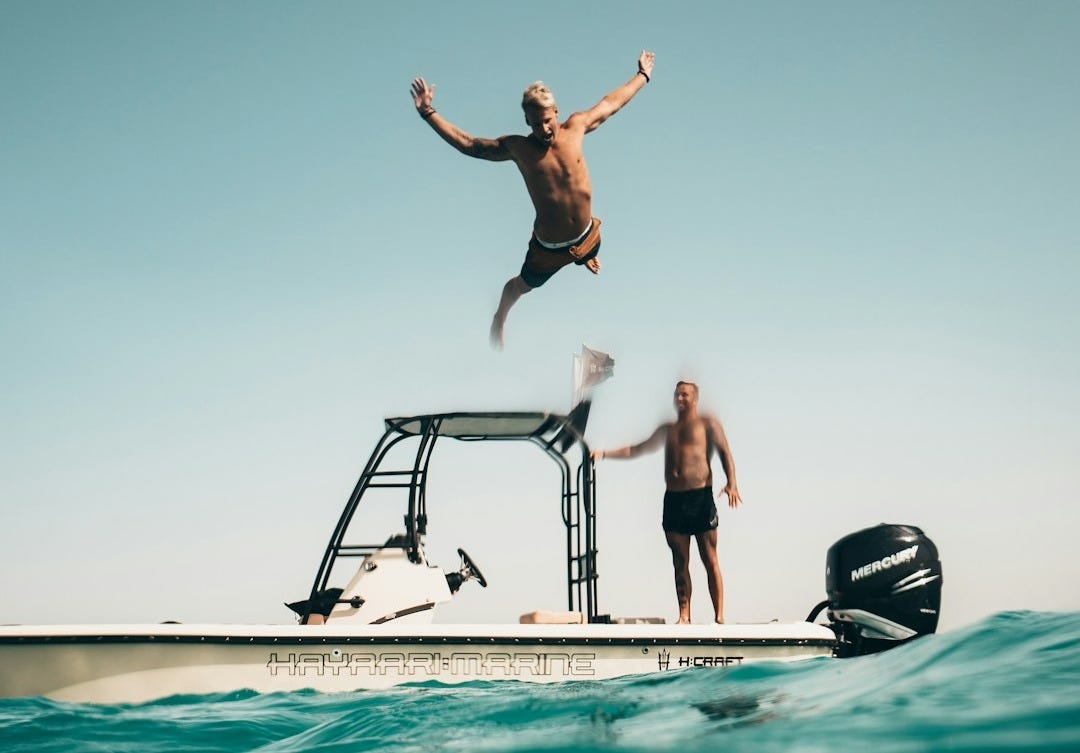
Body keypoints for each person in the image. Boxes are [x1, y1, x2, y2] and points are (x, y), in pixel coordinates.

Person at [409, 51, 655, 349]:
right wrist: (428, 114)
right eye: (536, 123)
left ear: (556, 113)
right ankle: (500, 316)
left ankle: (584, 255)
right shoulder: (518, 148)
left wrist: (642, 75)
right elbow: (470, 145)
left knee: (591, 249)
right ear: (527, 120)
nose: (544, 129)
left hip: (589, 236)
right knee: (519, 287)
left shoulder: (576, 127)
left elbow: (611, 103)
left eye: (548, 121)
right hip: (547, 250)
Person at [591, 381, 742, 624]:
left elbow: (725, 453)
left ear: (695, 398)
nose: (679, 398)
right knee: (679, 562)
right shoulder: (667, 430)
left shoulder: (708, 424)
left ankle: (719, 616)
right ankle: (684, 616)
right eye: (677, 394)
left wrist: (732, 483)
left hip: (700, 497)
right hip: (674, 501)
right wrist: (605, 453)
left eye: (685, 394)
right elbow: (636, 449)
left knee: (709, 558)